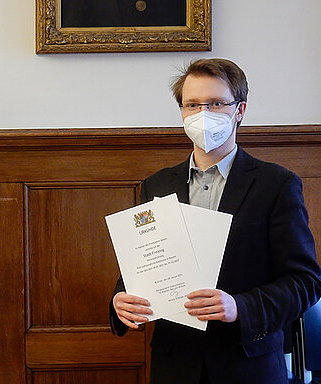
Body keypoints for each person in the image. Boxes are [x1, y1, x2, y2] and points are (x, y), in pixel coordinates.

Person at [109, 58, 321, 384]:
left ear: (240, 110)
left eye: (216, 103)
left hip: (247, 365)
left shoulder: (276, 185)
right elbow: (142, 266)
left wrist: (241, 306)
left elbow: (305, 282)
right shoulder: (157, 185)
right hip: (174, 366)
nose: (202, 114)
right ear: (181, 111)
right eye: (192, 104)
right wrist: (121, 301)